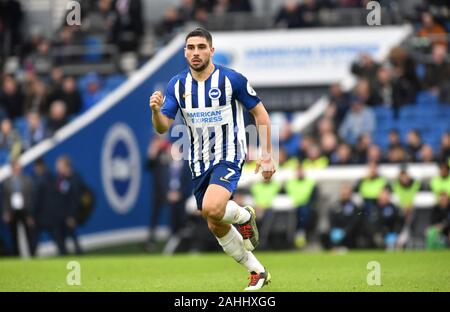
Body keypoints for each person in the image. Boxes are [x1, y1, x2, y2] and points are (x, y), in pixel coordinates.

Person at [148, 28, 276, 291]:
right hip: (198, 161)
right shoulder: (177, 85)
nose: (195, 53)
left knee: (212, 208)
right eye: (190, 48)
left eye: (201, 47)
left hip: (229, 153)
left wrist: (266, 155)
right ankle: (257, 271)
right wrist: (155, 111)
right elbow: (162, 127)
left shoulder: (232, 80)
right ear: (185, 52)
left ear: (211, 51)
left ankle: (243, 217)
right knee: (214, 222)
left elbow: (260, 115)